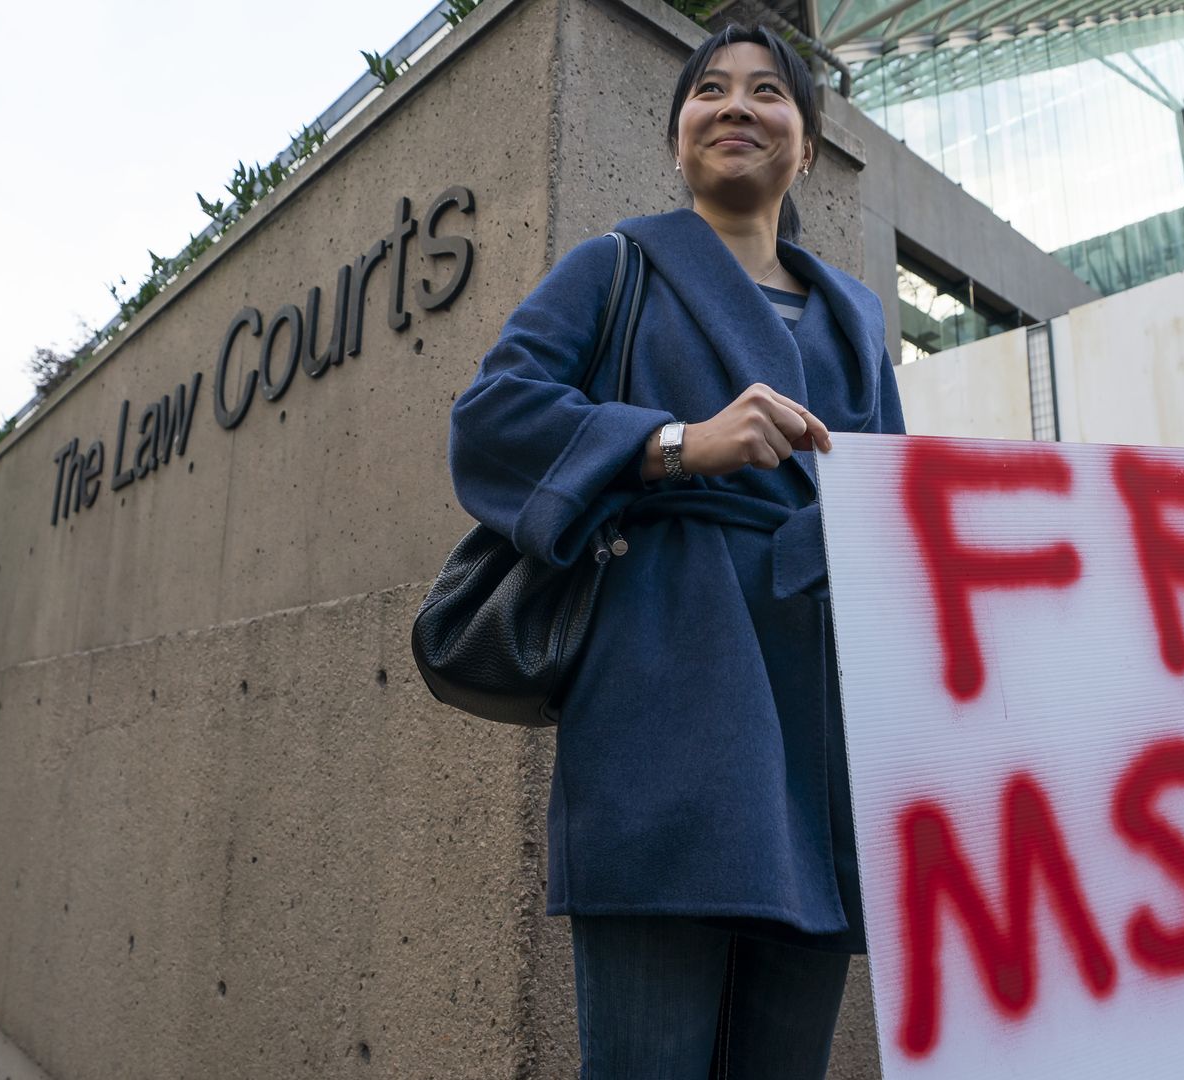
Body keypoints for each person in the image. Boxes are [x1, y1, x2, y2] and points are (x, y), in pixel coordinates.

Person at [446, 24, 904, 1079]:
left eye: (767, 93)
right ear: (678, 133)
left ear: (808, 143)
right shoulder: (616, 265)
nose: (735, 105)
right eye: (709, 89)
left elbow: (888, 511)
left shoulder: (856, 318)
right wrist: (673, 444)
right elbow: (490, 418)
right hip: (669, 700)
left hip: (819, 730)